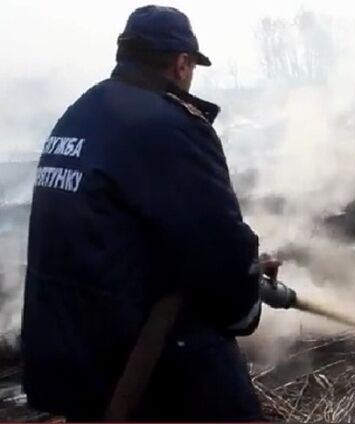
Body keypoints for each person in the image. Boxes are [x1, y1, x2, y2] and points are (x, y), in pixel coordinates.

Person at [20, 5, 294, 422]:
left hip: (71, 355)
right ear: (181, 63)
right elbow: (216, 245)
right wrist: (245, 295)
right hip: (142, 360)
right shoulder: (167, 124)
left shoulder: (81, 114)